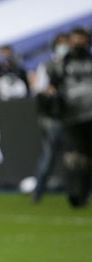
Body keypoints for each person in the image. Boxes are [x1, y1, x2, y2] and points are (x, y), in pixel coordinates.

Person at [50, 28, 92, 207]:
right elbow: (53, 87)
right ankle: (76, 193)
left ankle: (82, 193)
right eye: (74, 40)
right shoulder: (63, 64)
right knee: (77, 156)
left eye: (81, 40)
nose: (77, 44)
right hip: (72, 117)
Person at [30, 33, 69, 203]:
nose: (64, 47)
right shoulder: (47, 66)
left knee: (80, 155)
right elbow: (39, 90)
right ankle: (38, 192)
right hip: (52, 117)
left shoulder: (75, 65)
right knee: (49, 155)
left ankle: (80, 192)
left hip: (73, 116)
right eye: (61, 44)